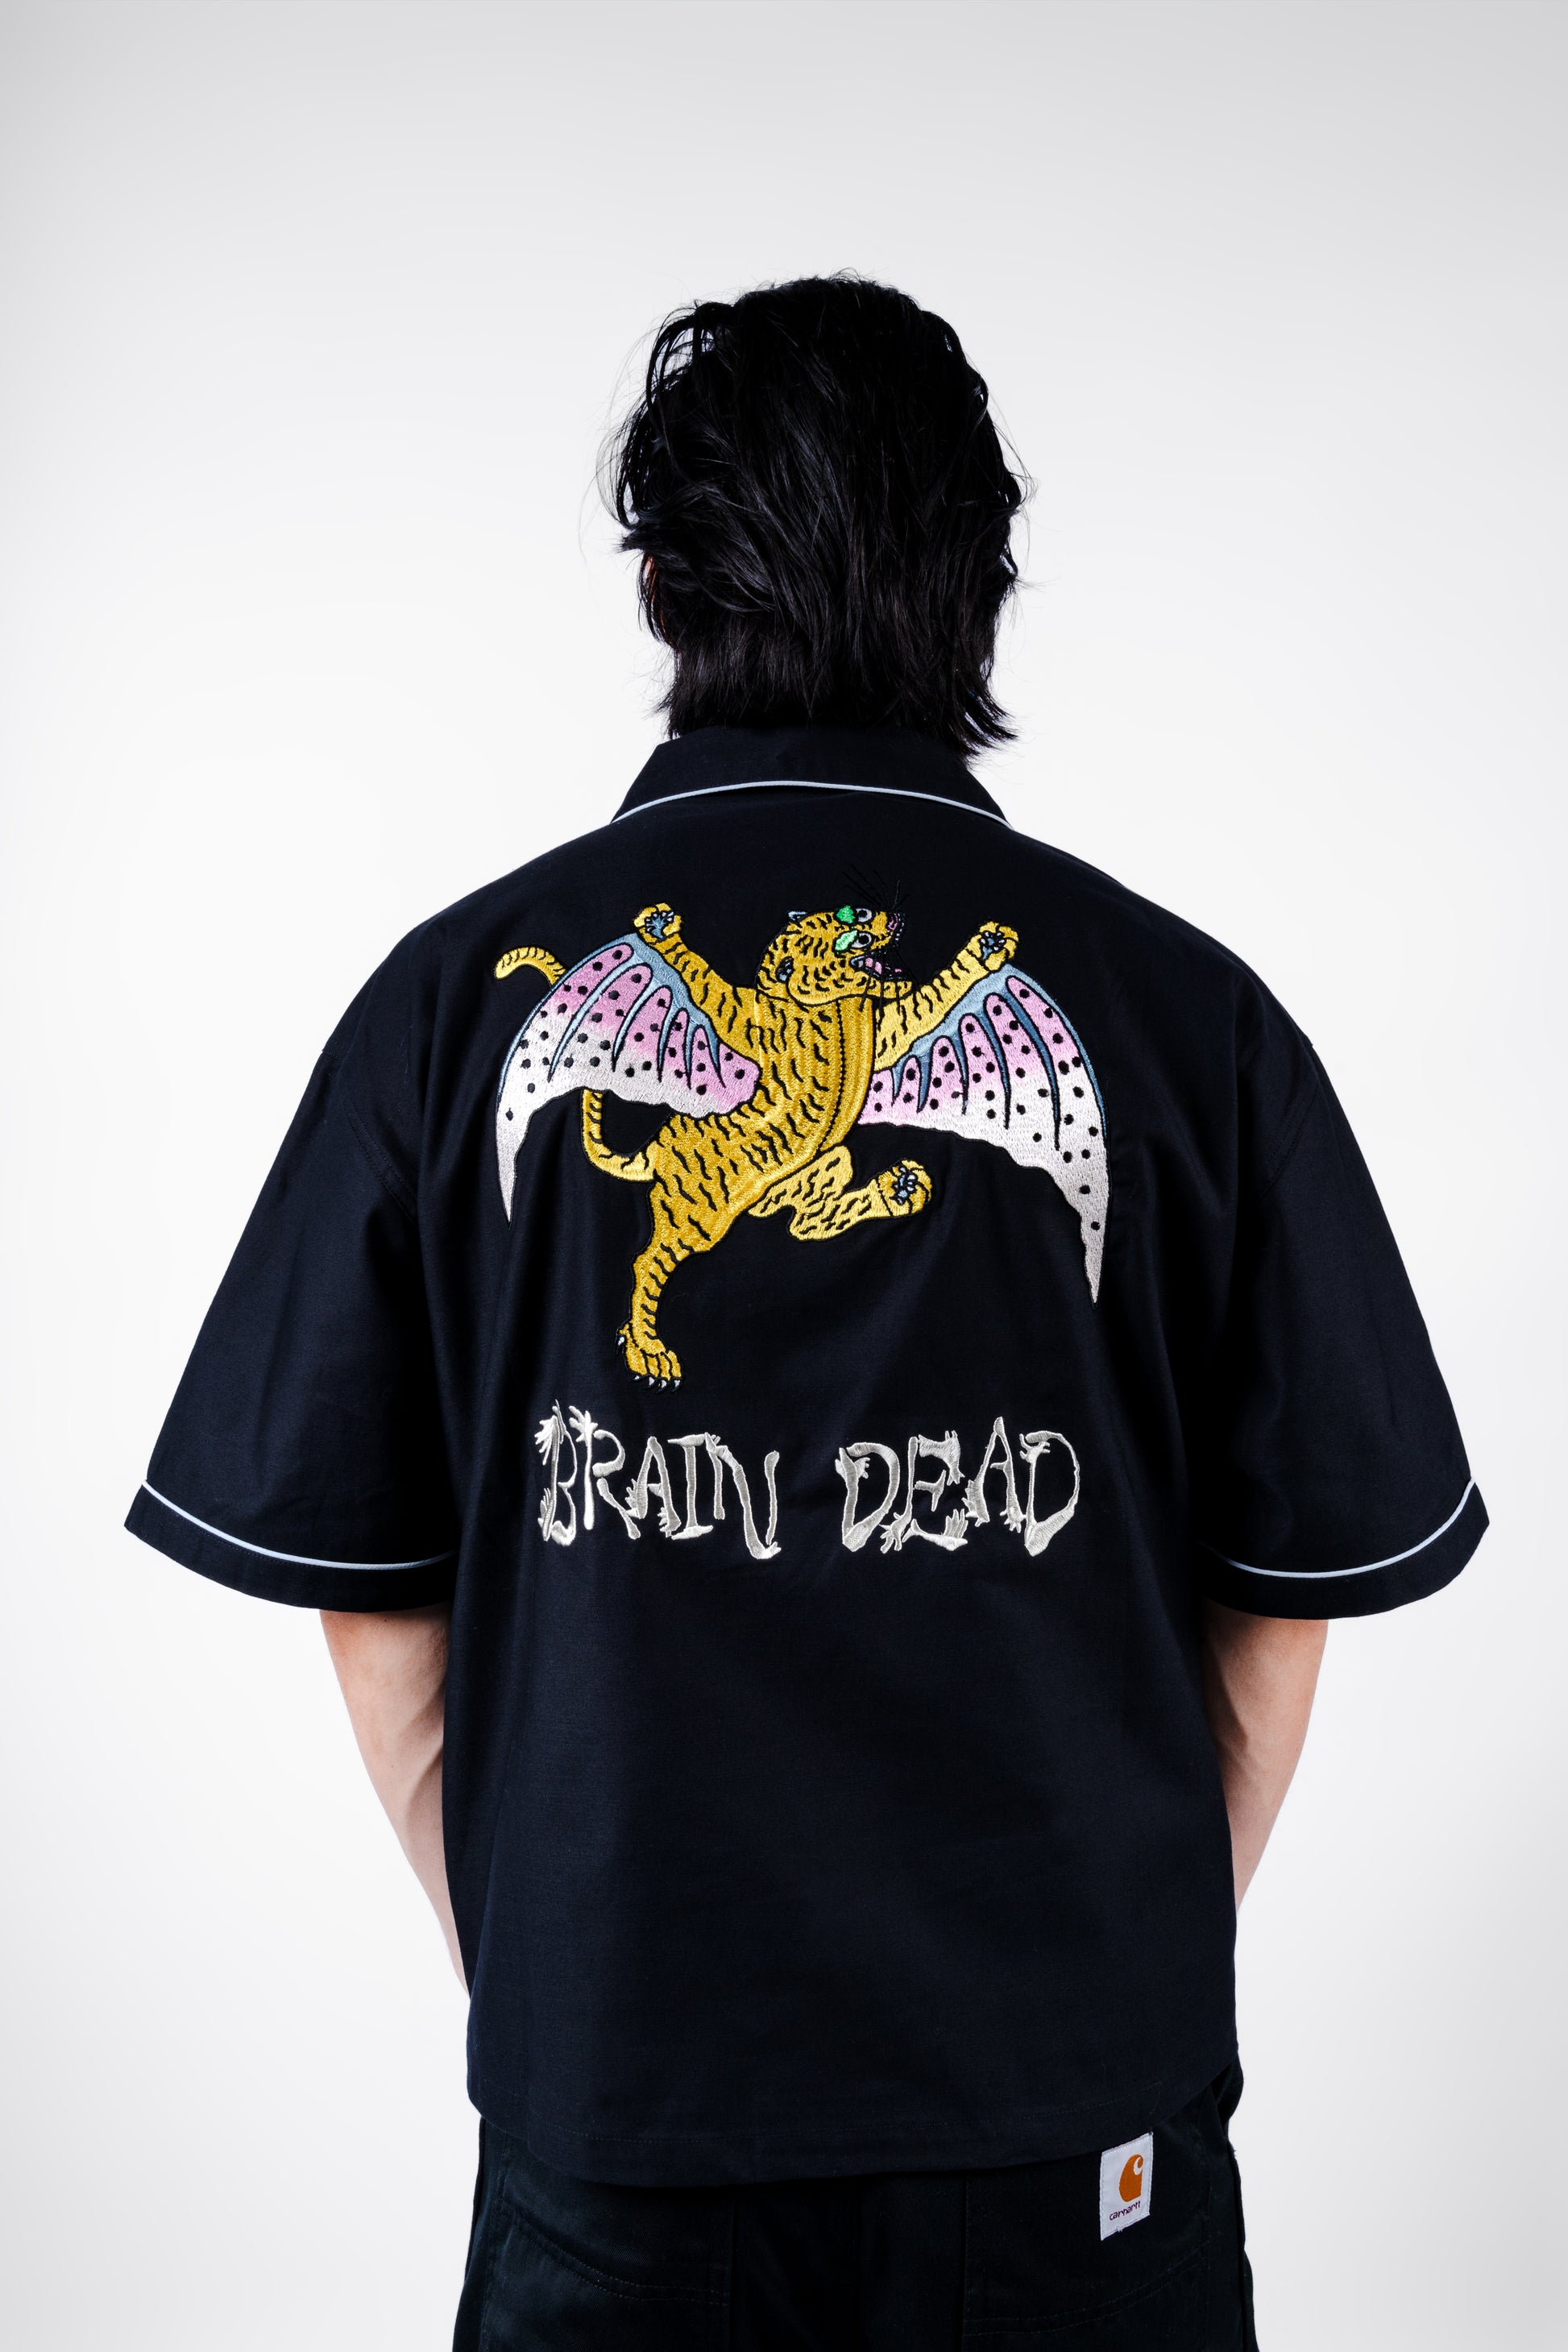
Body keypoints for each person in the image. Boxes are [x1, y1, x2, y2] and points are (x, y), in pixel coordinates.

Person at [127, 276, 1485, 2349]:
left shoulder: (441, 1002)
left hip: (625, 2112)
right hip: (1072, 2131)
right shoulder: (1187, 1018)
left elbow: (371, 1594)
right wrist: (1111, 1956)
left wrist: (545, 1960)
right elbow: (1279, 1599)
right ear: (983, 591)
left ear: (662, 579)